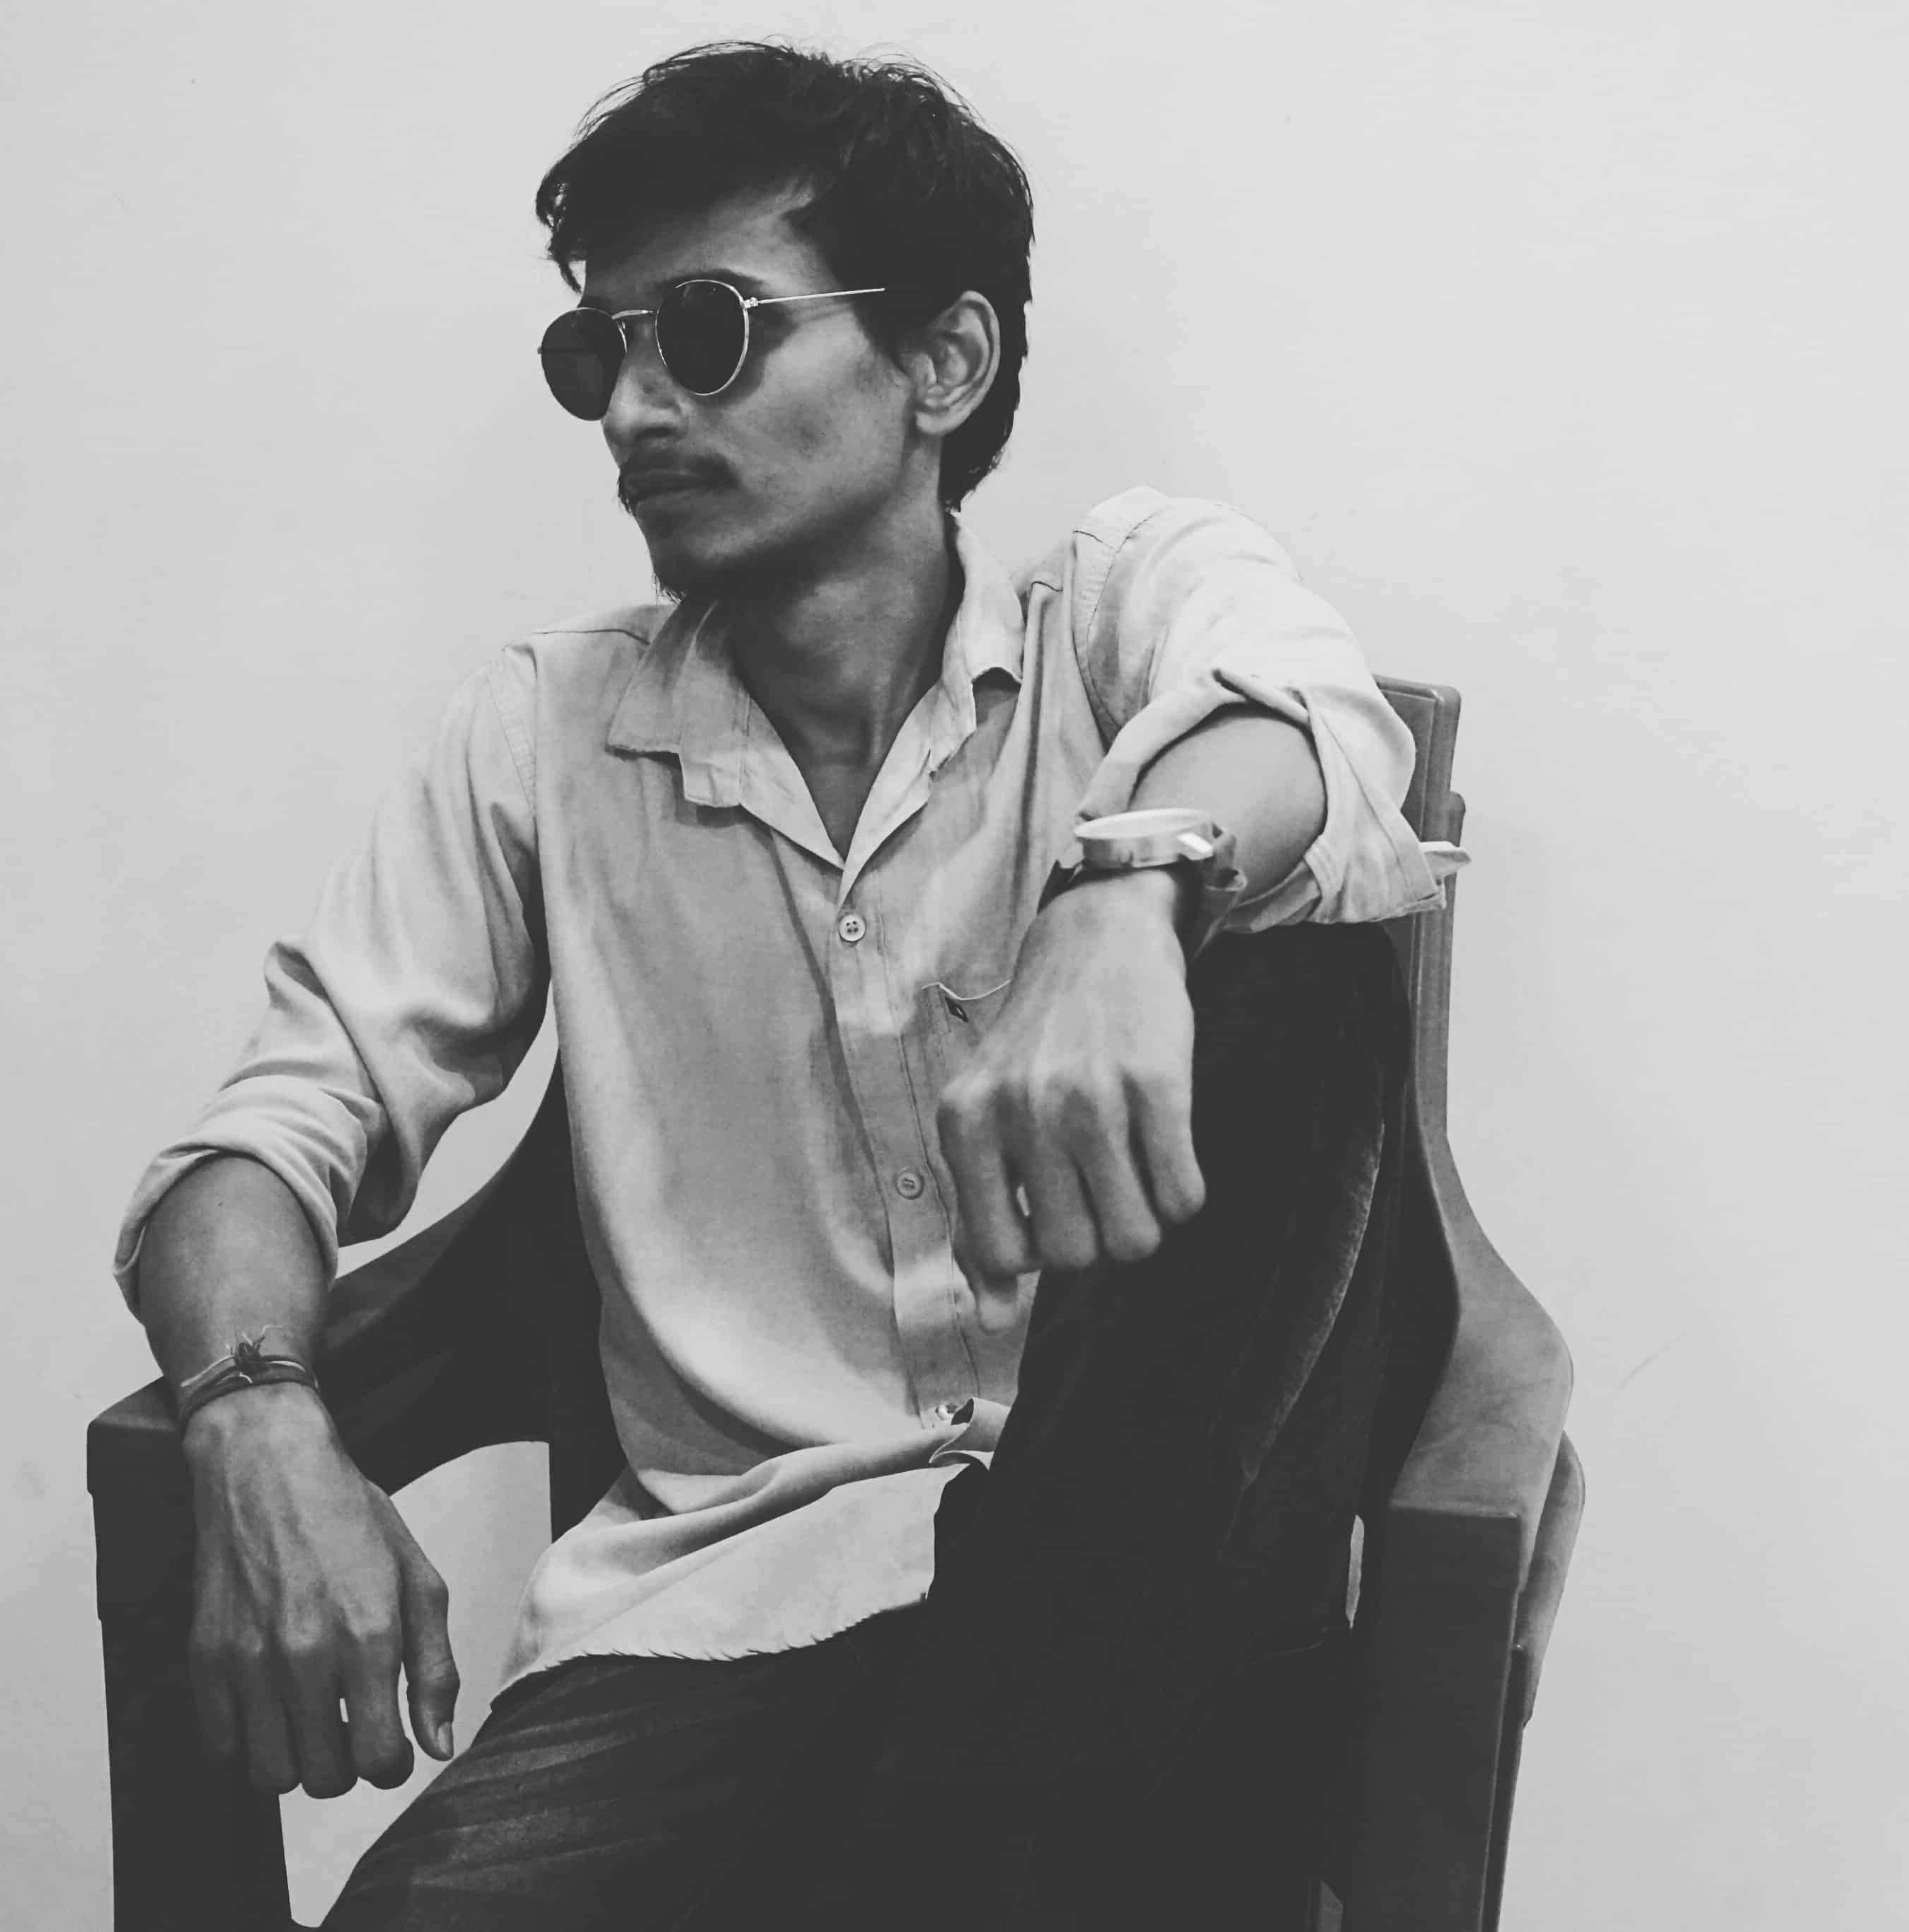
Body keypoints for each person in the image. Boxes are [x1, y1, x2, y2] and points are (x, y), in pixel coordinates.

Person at [115, 40, 1463, 1931]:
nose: (634, 408)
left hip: (1148, 1596)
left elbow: (1316, 732)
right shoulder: (548, 733)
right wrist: (254, 1410)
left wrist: (1121, 894)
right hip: (720, 1620)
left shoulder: (1121, 613)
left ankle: (994, 1807)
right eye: (598, 353)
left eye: (710, 330)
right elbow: (264, 1141)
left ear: (945, 363)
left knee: (1307, 1006)